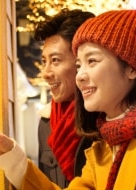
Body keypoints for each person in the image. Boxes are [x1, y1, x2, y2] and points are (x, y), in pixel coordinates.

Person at [0, 9, 136, 190]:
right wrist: (7, 155)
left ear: (132, 68)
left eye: (92, 61)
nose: (80, 76)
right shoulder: (101, 150)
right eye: (79, 65)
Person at [34, 9, 95, 188]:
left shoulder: (105, 117)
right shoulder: (46, 123)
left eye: (55, 60)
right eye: (44, 61)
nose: (45, 73)